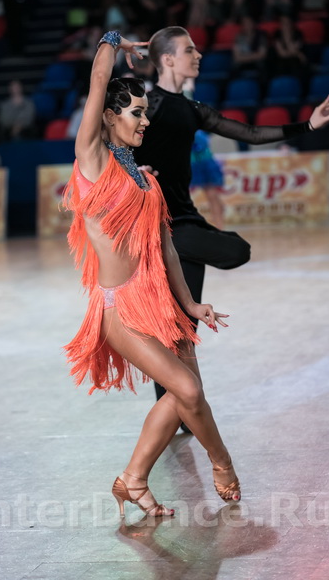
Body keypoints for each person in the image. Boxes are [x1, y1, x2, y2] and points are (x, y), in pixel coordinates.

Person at [62, 29, 241, 516]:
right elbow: (98, 81)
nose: (145, 121)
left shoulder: (145, 180)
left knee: (181, 398)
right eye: (136, 113)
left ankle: (133, 480)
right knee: (187, 390)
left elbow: (166, 251)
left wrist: (190, 304)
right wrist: (114, 41)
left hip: (160, 300)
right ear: (109, 117)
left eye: (146, 113)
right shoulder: (92, 161)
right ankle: (222, 463)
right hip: (121, 308)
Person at [134, 26, 329, 411]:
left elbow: (249, 132)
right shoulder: (148, 104)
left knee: (185, 323)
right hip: (157, 225)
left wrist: (307, 125)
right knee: (179, 316)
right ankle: (177, 408)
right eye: (189, 50)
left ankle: (179, 410)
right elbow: (110, 139)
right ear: (168, 59)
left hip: (186, 223)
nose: (198, 55)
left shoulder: (192, 109)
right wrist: (133, 171)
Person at [190, 130, 225, 230]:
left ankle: (219, 225)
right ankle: (219, 224)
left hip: (205, 164)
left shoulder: (200, 133)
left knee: (212, 196)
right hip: (195, 164)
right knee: (212, 196)